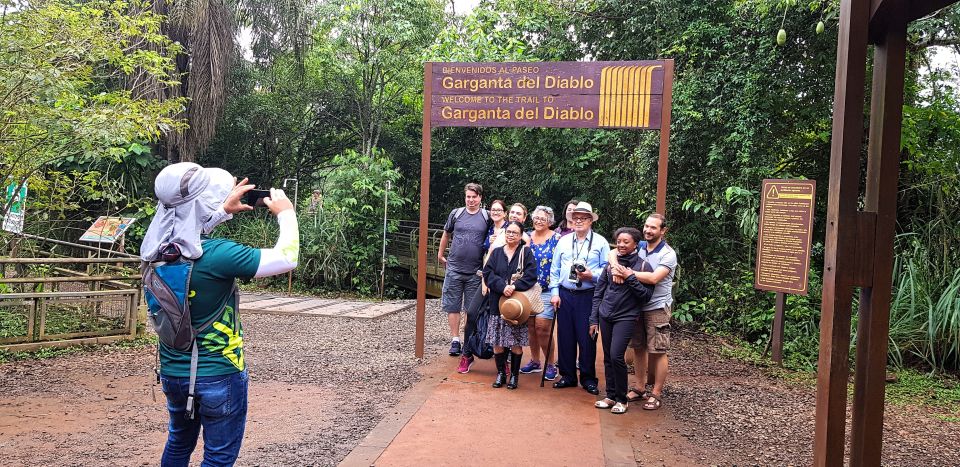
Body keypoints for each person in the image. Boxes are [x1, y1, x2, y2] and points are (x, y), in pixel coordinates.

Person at [140, 162, 299, 466]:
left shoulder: (153, 253)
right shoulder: (218, 255)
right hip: (219, 374)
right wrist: (286, 213)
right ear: (202, 205)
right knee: (218, 457)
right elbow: (287, 258)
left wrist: (221, 212)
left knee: (178, 441)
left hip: (173, 374)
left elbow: (187, 231)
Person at [612, 213, 677, 410]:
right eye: (646, 226)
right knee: (638, 347)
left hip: (657, 306)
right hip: (635, 306)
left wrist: (627, 273)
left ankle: (656, 393)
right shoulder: (638, 247)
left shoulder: (667, 254)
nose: (648, 230)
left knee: (658, 350)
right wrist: (615, 263)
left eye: (653, 228)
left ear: (663, 231)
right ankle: (640, 387)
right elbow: (614, 252)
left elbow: (654, 278)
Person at [589, 228, 655, 414]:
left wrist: (630, 277)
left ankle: (621, 398)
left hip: (626, 316)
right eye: (619, 241)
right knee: (608, 357)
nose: (621, 244)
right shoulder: (611, 264)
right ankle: (610, 395)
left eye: (626, 241)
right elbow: (598, 292)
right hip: (606, 314)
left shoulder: (643, 266)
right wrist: (593, 318)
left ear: (636, 244)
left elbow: (645, 296)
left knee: (617, 355)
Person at [548, 202, 610, 395]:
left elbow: (608, 270)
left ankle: (588, 378)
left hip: (588, 295)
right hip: (566, 295)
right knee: (565, 336)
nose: (579, 221)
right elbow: (555, 269)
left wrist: (592, 275)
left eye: (583, 218)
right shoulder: (564, 241)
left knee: (587, 338)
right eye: (576, 218)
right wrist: (555, 293)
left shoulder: (600, 242)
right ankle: (567, 375)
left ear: (591, 220)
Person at [483, 220, 538, 390]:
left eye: (515, 232)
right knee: (497, 342)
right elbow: (488, 273)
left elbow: (531, 275)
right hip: (497, 302)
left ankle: (514, 376)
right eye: (508, 232)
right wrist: (502, 286)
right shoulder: (497, 252)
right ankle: (501, 373)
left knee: (515, 342)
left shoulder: (525, 252)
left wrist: (514, 286)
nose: (511, 235)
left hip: (517, 304)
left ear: (521, 236)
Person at [437, 183, 489, 357]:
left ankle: (468, 340)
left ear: (480, 198)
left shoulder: (486, 216)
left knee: (470, 309)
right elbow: (446, 233)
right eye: (468, 197)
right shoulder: (456, 213)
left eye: (474, 197)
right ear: (465, 197)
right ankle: (455, 339)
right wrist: (440, 253)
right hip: (454, 267)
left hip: (475, 270)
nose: (471, 200)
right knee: (452, 305)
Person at [518, 205, 561, 381]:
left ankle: (551, 363)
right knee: (530, 326)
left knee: (542, 326)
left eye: (543, 219)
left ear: (549, 221)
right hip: (528, 287)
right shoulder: (527, 237)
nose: (538, 221)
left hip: (548, 288)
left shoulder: (557, 238)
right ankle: (535, 360)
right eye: (536, 218)